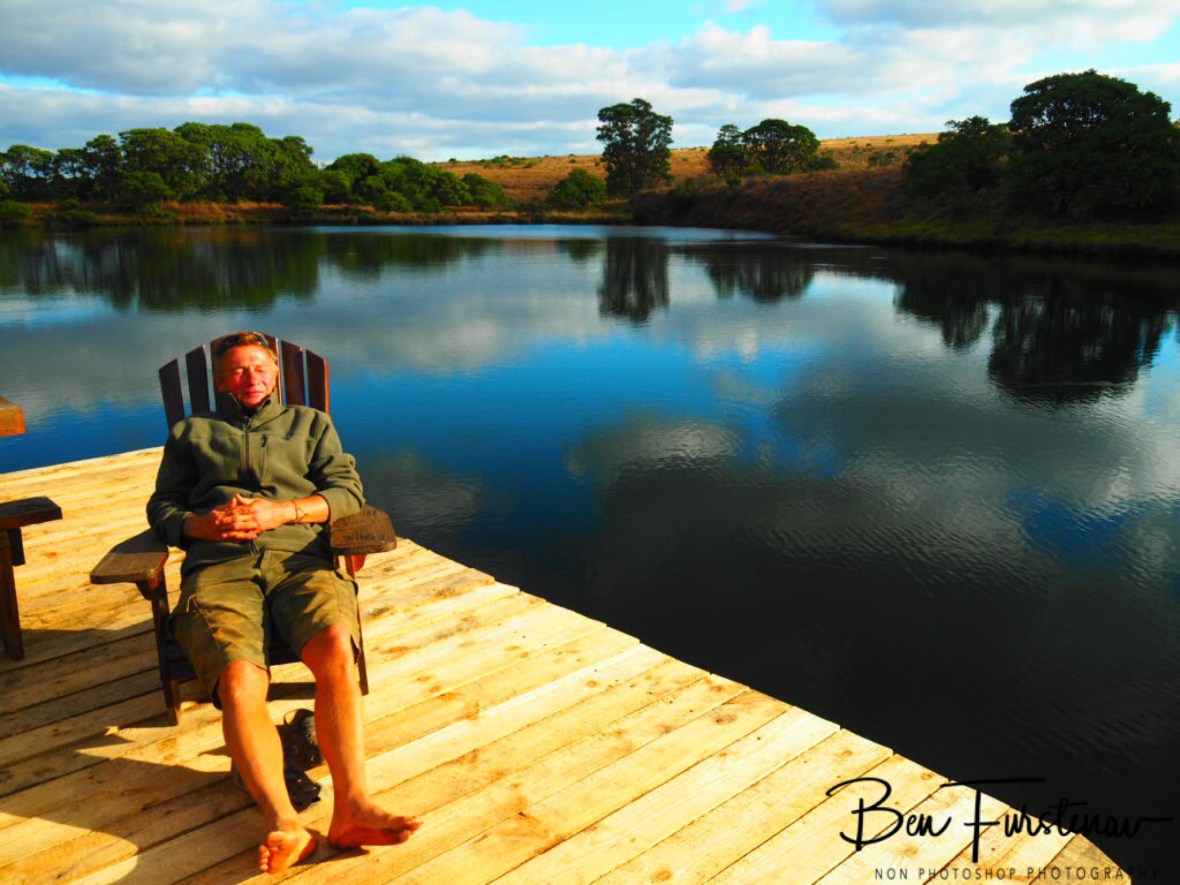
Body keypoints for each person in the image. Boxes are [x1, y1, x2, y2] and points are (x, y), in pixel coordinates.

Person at [147, 332, 419, 873]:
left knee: (337, 648)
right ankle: (283, 821)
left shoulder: (311, 425)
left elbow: (347, 493)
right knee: (240, 680)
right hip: (219, 567)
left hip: (300, 559)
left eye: (260, 368)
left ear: (276, 374)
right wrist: (201, 524)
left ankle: (354, 806)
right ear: (222, 381)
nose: (251, 377)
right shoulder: (192, 432)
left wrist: (285, 513)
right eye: (238, 371)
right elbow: (163, 506)